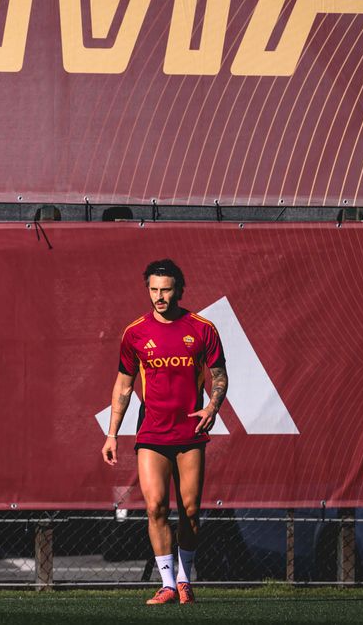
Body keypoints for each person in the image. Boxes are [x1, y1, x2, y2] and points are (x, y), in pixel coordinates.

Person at [101, 258, 228, 605]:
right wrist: (112, 434)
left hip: (190, 434)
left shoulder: (202, 328)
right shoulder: (135, 333)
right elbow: (123, 387)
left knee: (189, 510)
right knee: (155, 507)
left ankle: (186, 580)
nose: (159, 296)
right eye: (154, 290)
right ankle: (168, 584)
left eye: (166, 290)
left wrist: (212, 407)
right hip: (152, 435)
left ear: (179, 290)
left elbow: (219, 377)